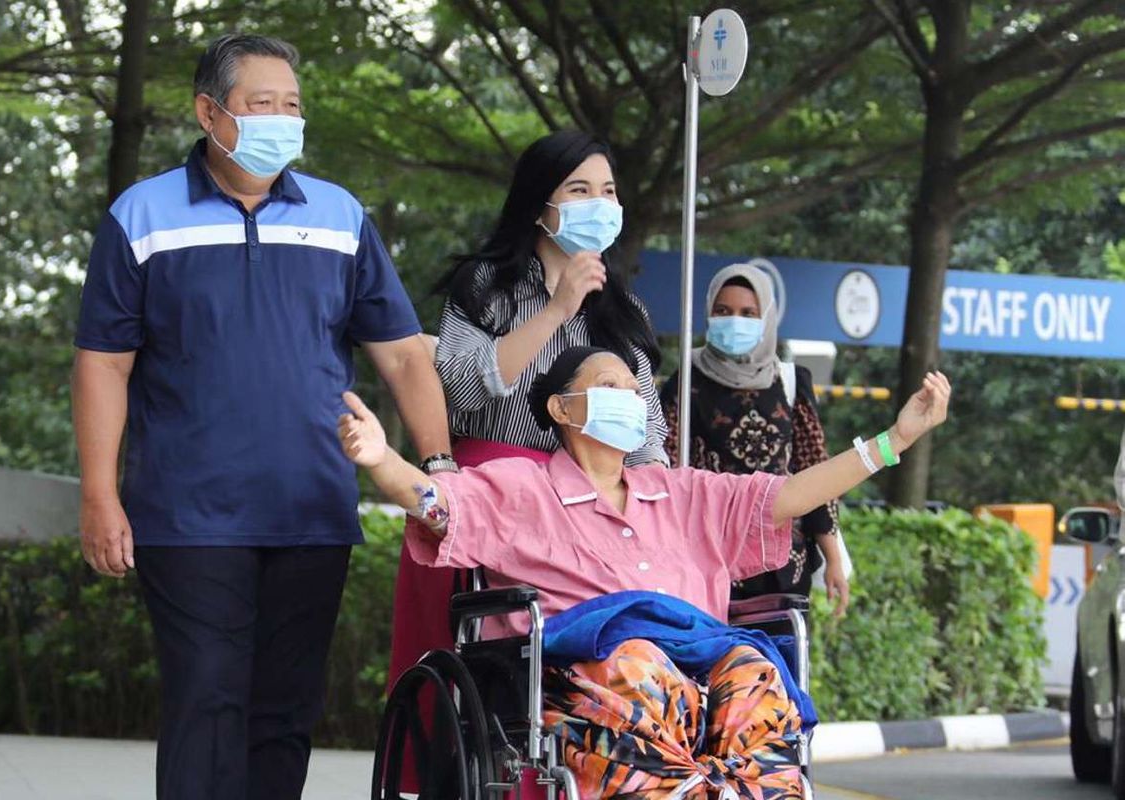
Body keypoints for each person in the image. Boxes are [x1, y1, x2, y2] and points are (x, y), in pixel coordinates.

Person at [71, 34, 451, 800]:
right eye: (262, 104)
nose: (283, 119)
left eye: (293, 105)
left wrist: (440, 470)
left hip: (310, 508)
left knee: (284, 713)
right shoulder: (142, 214)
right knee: (206, 696)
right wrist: (100, 493)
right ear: (209, 111)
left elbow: (406, 356)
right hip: (186, 514)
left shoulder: (340, 218)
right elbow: (103, 363)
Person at [341, 345, 951, 798]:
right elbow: (439, 506)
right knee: (640, 663)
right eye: (611, 384)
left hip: (694, 672)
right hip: (582, 680)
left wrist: (894, 439)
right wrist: (383, 460)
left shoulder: (683, 493)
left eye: (636, 389)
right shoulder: (522, 488)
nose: (630, 398)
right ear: (561, 406)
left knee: (755, 671)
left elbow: (792, 495)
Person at [387, 131, 669, 690]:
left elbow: (646, 436)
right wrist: (558, 308)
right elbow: (461, 390)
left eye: (608, 192)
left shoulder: (623, 310)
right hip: (488, 497)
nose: (600, 205)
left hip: (589, 508)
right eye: (579, 190)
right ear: (539, 204)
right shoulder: (486, 286)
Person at [661, 262, 851, 617]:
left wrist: (834, 558)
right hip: (709, 560)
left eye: (748, 313)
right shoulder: (687, 378)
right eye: (723, 311)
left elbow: (815, 472)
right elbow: (663, 466)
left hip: (783, 566)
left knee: (781, 666)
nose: (735, 321)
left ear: (766, 318)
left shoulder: (791, 382)